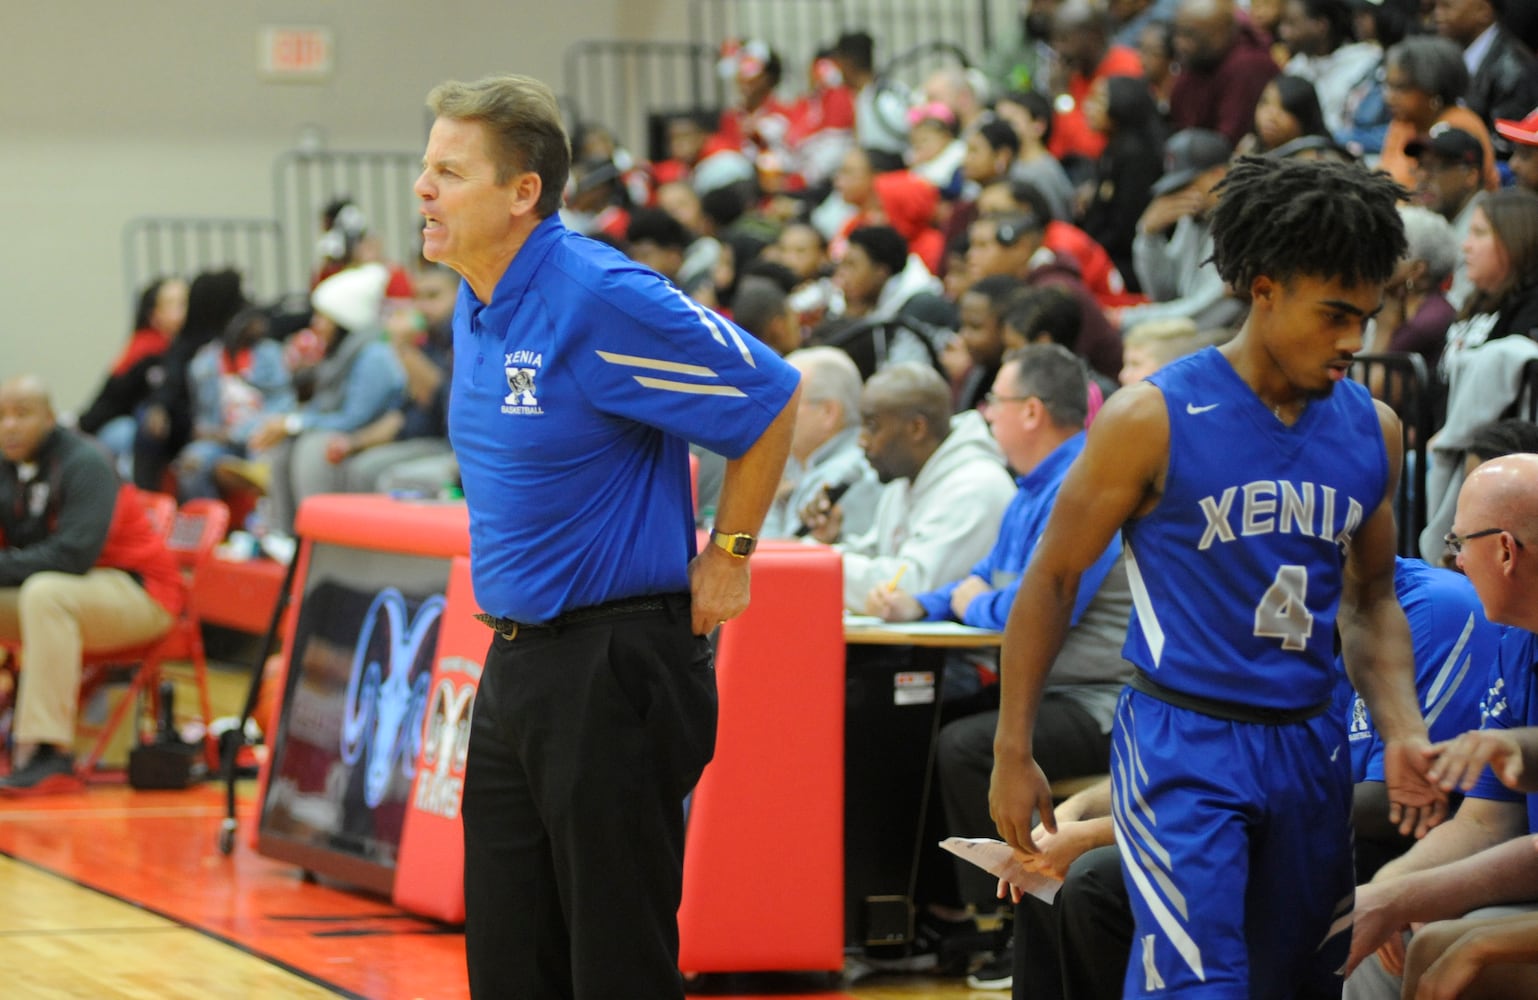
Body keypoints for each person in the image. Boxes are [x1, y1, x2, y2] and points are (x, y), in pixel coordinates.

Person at [989, 155, 1445, 997]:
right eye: (1335, 314)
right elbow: (1050, 582)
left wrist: (1404, 726)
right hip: (1183, 740)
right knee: (1198, 985)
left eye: (1367, 317)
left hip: (1311, 742)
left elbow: (1372, 599)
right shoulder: (1148, 417)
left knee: (1301, 983)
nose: (1355, 340)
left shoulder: (1372, 428)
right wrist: (1012, 748)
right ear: (1263, 289)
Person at [415, 74, 800, 1000]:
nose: (422, 191)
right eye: (424, 169)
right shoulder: (476, 298)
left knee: (616, 966)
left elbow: (771, 395)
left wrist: (731, 556)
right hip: (515, 665)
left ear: (523, 193)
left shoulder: (598, 293)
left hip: (613, 665)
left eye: (448, 173)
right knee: (509, 959)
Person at [1345, 453, 1538, 1000]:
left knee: (1437, 945)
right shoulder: (1515, 638)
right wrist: (1393, 890)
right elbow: (1486, 823)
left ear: (1504, 549)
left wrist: (1483, 938)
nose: (1453, 562)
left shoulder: (1427, 609)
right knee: (1372, 928)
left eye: (1458, 543)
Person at [0, 376, 183, 794]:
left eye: (22, 414)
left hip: (141, 594)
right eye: (1, 416)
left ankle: (49, 754)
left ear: (49, 418)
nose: (9, 426)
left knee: (47, 593)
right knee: (44, 591)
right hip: (66, 591)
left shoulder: (86, 462)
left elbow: (71, 557)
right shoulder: (6, 469)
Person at [799, 362, 1016, 609]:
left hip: (957, 648)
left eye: (872, 426)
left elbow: (909, 586)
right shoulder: (903, 480)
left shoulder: (976, 486)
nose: (861, 441)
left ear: (916, 428)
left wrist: (812, 563)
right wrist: (829, 542)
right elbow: (880, 555)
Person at [245, 263, 407, 547]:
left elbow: (354, 418)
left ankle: (323, 543)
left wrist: (294, 424)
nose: (315, 325)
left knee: (312, 447)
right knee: (281, 446)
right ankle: (286, 538)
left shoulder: (375, 357)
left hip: (376, 436)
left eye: (323, 317)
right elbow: (323, 407)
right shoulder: (340, 355)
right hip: (349, 427)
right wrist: (288, 424)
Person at [1115, 128, 1244, 333]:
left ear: (1218, 175)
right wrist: (1149, 235)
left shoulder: (1242, 225)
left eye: (1186, 184)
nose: (1179, 196)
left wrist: (1123, 319)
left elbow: (1201, 316)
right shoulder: (1196, 216)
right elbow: (1165, 292)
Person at [760, 346, 879, 540]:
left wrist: (767, 498)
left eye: (784, 402)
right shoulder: (802, 462)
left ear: (828, 413)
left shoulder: (844, 475)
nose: (773, 414)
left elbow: (782, 561)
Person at [76, 276, 189, 474]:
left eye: (185, 302)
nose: (185, 309)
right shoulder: (148, 350)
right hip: (113, 430)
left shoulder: (177, 348)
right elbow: (112, 402)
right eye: (174, 304)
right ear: (154, 316)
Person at [1378, 35, 1500, 194]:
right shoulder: (1403, 122)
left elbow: (1427, 197)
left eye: (1401, 88)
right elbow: (1382, 177)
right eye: (1388, 86)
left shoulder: (1459, 126)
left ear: (1432, 89)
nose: (1389, 97)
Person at [1167, 0, 1282, 145]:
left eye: (1191, 35)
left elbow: (1227, 141)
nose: (1180, 43)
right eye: (1178, 33)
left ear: (1222, 33)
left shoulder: (1248, 66)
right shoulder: (1197, 61)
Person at [1407, 124, 1489, 310]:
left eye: (1434, 167)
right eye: (1420, 166)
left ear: (1470, 175)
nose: (1422, 176)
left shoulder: (1485, 228)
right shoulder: (1436, 220)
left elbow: (1455, 311)